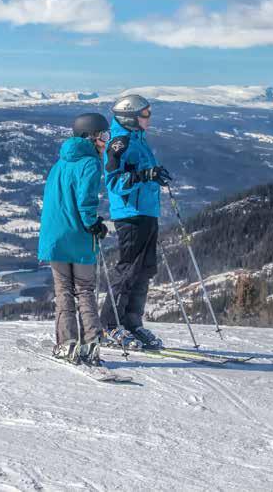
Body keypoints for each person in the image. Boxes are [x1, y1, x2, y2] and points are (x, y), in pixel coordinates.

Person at [38, 113, 110, 366]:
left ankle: (67, 344)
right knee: (84, 290)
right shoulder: (90, 163)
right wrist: (94, 224)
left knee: (64, 292)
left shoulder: (59, 164)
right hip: (79, 236)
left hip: (55, 238)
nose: (106, 142)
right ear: (89, 136)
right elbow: (86, 201)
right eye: (103, 136)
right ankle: (91, 343)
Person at [100, 94, 172, 350]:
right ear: (130, 117)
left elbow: (141, 176)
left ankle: (132, 322)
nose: (149, 118)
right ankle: (109, 325)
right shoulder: (120, 143)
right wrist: (144, 175)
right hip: (130, 214)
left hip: (147, 212)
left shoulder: (139, 141)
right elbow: (113, 183)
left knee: (144, 270)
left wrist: (155, 176)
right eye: (145, 114)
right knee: (128, 270)